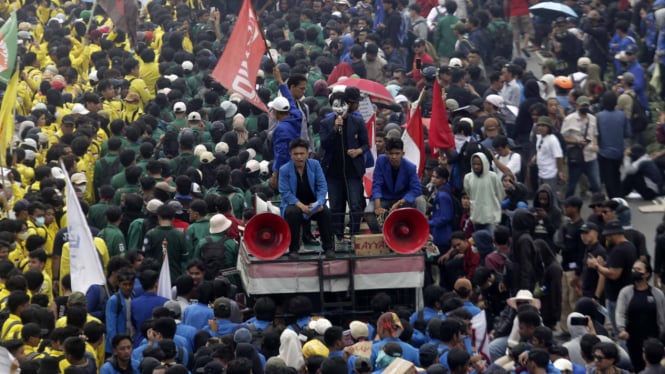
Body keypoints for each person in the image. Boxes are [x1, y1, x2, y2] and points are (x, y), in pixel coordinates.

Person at [319, 88, 369, 243]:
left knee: (355, 205)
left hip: (352, 171)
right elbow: (324, 144)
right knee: (336, 207)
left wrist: (359, 151)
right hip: (333, 172)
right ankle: (338, 237)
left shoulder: (358, 121)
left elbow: (366, 144)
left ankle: (354, 235)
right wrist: (335, 129)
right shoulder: (326, 123)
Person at [279, 138, 335, 259]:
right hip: (295, 204)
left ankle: (328, 248)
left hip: (313, 203)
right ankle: (293, 249)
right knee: (292, 213)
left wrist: (319, 203)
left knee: (325, 211)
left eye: (302, 153)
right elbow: (285, 192)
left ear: (307, 153)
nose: (299, 157)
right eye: (295, 154)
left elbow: (322, 185)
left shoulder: (315, 165)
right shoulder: (284, 169)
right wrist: (301, 206)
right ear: (291, 154)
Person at [587, 220, 638, 333]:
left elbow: (614, 274)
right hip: (626, 293)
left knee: (620, 330)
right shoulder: (630, 246)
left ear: (614, 234)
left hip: (617, 296)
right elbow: (615, 267)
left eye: (608, 235)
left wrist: (596, 266)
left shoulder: (619, 250)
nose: (607, 238)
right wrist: (602, 265)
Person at [366, 138, 425, 233]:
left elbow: (416, 189)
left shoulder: (410, 167)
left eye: (397, 153)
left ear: (403, 153)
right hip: (384, 198)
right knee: (368, 212)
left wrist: (399, 203)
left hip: (403, 199)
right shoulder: (381, 160)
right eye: (391, 153)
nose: (394, 157)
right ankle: (380, 234)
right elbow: (377, 184)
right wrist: (377, 206)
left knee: (420, 200)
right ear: (386, 153)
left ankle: (418, 231)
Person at [616, 260, 665, 372]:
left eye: (639, 269)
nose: (635, 271)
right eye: (634, 269)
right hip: (632, 340)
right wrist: (622, 329)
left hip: (653, 340)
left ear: (647, 273)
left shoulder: (657, 294)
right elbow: (620, 313)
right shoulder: (625, 292)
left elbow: (662, 316)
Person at [560, 96, 601, 198]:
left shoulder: (593, 119)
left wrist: (596, 145)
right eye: (583, 105)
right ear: (577, 106)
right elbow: (563, 137)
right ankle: (567, 205)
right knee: (572, 185)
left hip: (590, 156)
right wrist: (577, 141)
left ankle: (599, 206)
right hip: (576, 156)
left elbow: (594, 134)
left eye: (586, 105)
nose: (585, 107)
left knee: (596, 184)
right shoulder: (569, 119)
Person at [463, 152, 504, 233]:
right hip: (476, 216)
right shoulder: (468, 177)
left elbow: (500, 194)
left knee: (490, 240)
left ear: (484, 163)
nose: (476, 166)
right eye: (474, 164)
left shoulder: (493, 176)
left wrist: (496, 207)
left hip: (491, 217)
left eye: (479, 164)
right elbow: (468, 193)